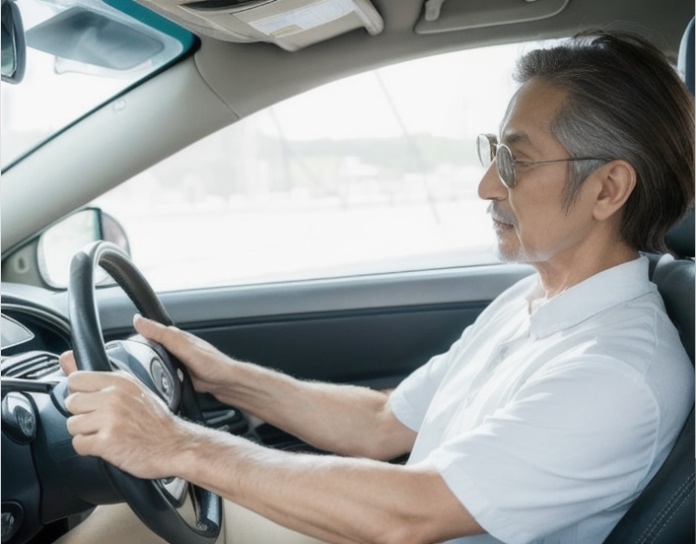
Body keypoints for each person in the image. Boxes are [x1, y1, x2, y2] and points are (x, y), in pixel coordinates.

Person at [58, 29, 694, 544]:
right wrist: (223, 377)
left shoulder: (618, 373)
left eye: (516, 161)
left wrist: (175, 443)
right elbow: (384, 422)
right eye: (491, 152)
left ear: (609, 189)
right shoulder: (535, 302)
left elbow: (412, 514)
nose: (486, 186)